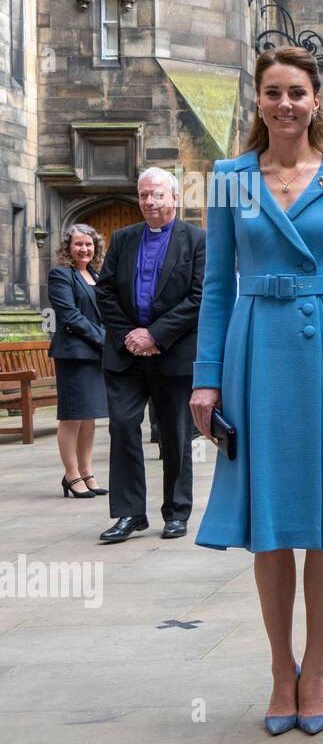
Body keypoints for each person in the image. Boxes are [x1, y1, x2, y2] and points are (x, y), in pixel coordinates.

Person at [190, 46, 323, 736]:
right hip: (253, 350)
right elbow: (216, 286)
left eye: (297, 92)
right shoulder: (227, 177)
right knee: (269, 520)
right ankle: (280, 669)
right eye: (273, 92)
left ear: (315, 102)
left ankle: (317, 666)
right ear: (258, 101)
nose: (285, 103)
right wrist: (205, 378)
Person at [96, 168, 205, 543]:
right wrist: (131, 335)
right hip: (126, 355)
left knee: (175, 435)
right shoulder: (123, 239)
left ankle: (176, 512)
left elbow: (200, 296)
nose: (149, 202)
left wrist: (156, 334)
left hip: (172, 354)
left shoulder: (197, 240)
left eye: (157, 195)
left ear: (174, 197)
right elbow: (105, 291)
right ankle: (129, 514)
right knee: (123, 428)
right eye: (143, 195)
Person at [48, 224, 109, 498]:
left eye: (89, 244)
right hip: (73, 354)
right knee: (72, 416)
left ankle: (87, 472)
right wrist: (105, 338)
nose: (84, 249)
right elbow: (70, 316)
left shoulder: (95, 275)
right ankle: (71, 475)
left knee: (89, 417)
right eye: (78, 244)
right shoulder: (61, 275)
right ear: (67, 247)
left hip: (94, 354)